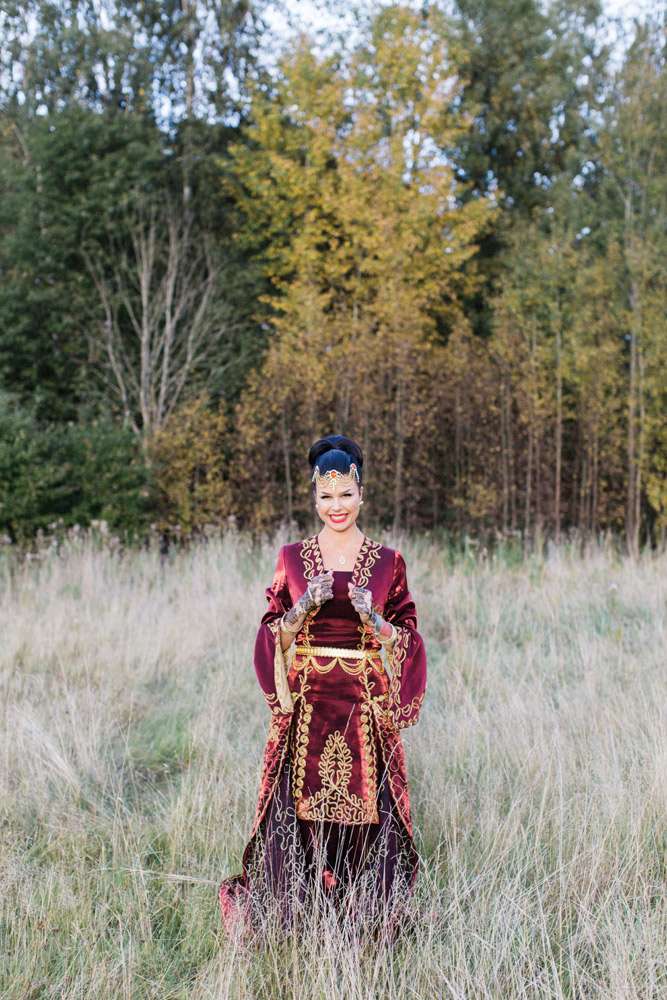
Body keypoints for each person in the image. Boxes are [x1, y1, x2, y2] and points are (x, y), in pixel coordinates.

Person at [218, 434, 427, 941]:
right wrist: (301, 608)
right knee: (294, 807)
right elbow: (271, 632)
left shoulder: (388, 561)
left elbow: (409, 636)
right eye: (326, 496)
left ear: (362, 494)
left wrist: (377, 621)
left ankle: (365, 914)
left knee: (372, 809)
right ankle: (294, 911)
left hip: (365, 706)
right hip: (307, 701)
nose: (337, 506)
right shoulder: (292, 557)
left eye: (346, 494)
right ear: (314, 498)